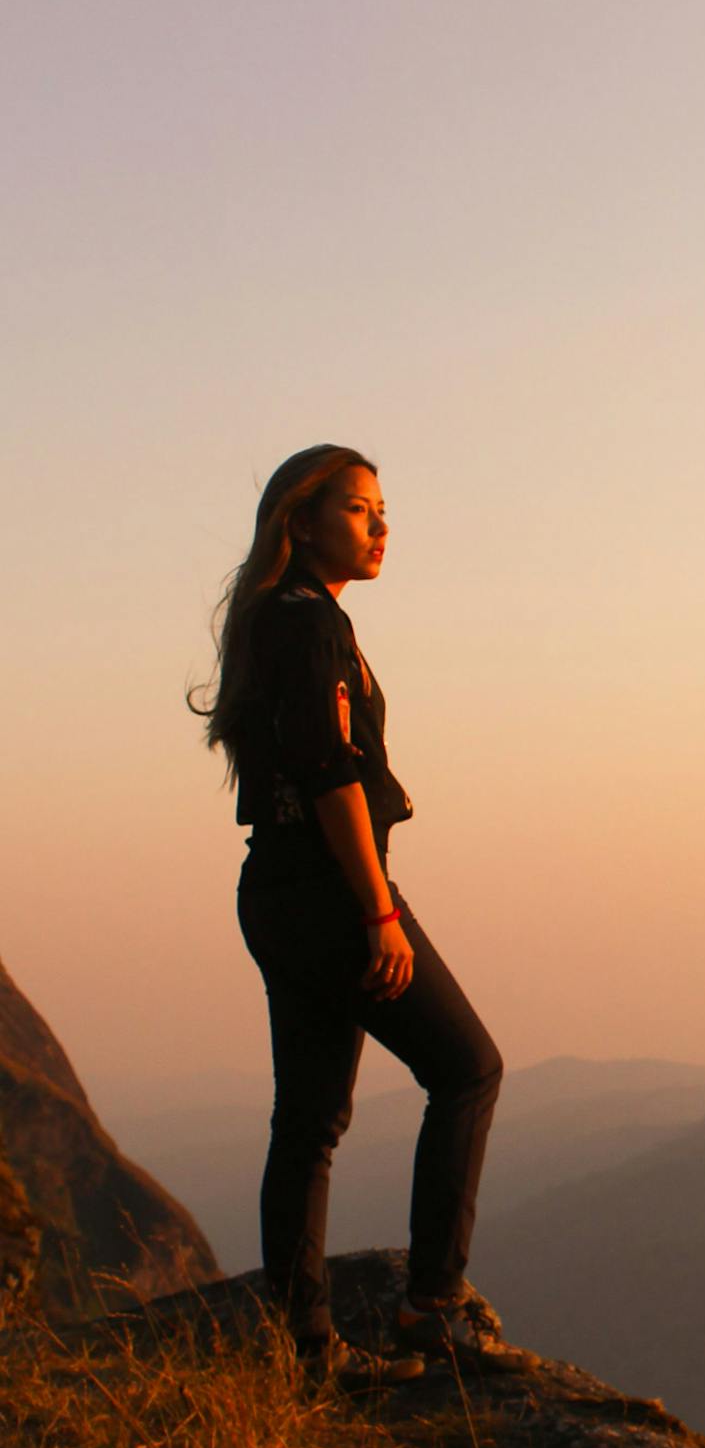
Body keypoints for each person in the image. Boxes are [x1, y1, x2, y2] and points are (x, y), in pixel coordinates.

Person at [190, 443, 532, 1385]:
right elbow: (334, 773)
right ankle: (432, 1308)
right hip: (332, 892)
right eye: (358, 509)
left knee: (306, 1119)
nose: (381, 527)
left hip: (276, 890)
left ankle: (304, 1352)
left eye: (383, 511)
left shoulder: (280, 621)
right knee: (468, 1069)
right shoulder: (309, 627)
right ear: (300, 522)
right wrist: (378, 912)